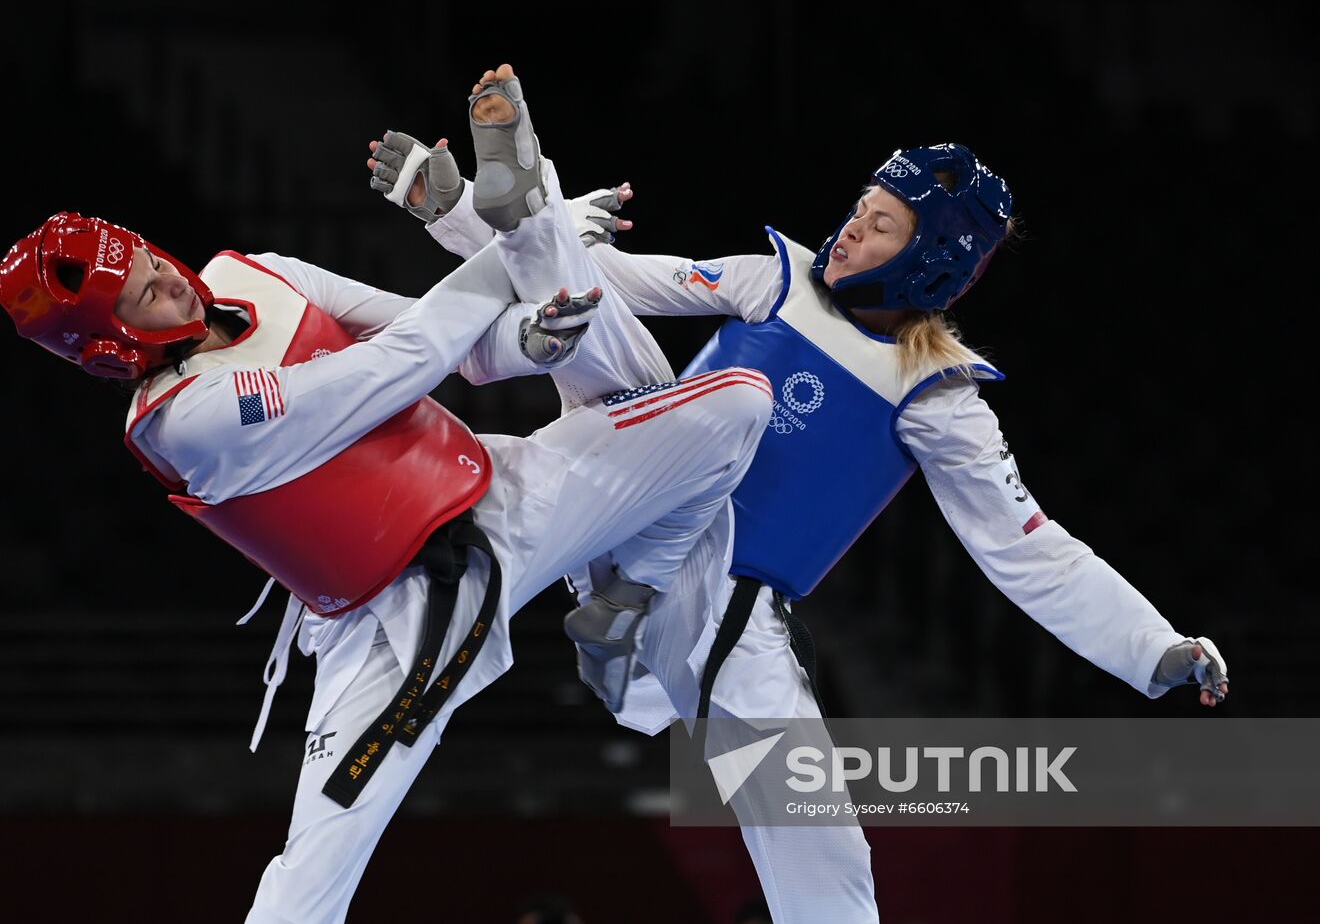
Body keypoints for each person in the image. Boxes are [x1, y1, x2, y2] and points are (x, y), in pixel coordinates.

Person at [377, 67, 1231, 924]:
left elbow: (1026, 543)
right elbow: (612, 277)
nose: (853, 223)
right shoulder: (770, 279)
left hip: (710, 596)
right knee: (600, 323)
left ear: (930, 262)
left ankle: (621, 633)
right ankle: (512, 199)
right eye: (861, 204)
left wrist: (1152, 648)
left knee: (821, 846)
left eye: (882, 222)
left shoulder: (934, 393)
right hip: (626, 495)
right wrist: (451, 211)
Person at [0, 91, 774, 919]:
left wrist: (528, 333)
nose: (172, 286)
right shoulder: (184, 423)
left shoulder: (250, 273)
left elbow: (445, 338)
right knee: (315, 871)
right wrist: (524, 229)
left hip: (507, 492)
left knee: (737, 406)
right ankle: (627, 612)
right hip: (392, 622)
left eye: (154, 261)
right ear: (111, 352)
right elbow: (399, 364)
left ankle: (623, 605)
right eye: (147, 298)